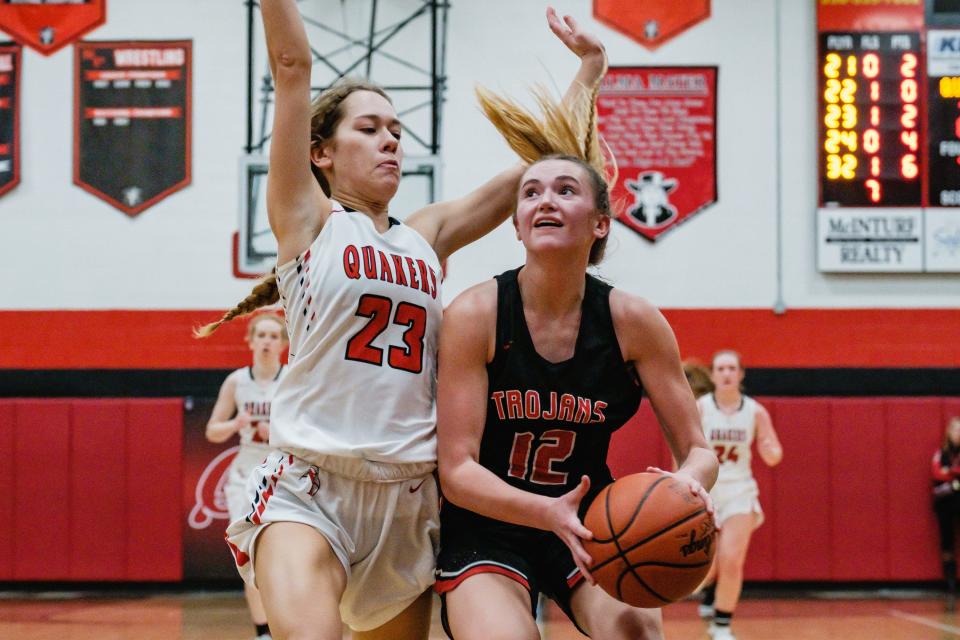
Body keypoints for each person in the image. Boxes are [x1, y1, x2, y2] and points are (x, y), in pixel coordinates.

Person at [195, 3, 608, 638]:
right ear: (321, 153)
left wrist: (590, 69)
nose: (390, 138)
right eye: (368, 128)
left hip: (409, 500)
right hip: (311, 484)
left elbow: (541, 165)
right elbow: (291, 66)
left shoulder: (426, 237)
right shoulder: (308, 220)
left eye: (395, 128)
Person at [432, 69, 719, 639]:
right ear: (516, 225)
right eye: (531, 192)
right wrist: (544, 512)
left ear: (600, 223)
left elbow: (699, 450)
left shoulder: (633, 321)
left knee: (637, 633)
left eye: (566, 190)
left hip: (591, 526)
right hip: (487, 524)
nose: (544, 201)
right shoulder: (475, 313)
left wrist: (689, 485)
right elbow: (457, 471)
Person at [205, 313, 288, 640]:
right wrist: (235, 424)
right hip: (245, 474)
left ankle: (287, 624)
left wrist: (277, 432)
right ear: (251, 341)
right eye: (262, 335)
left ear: (283, 344)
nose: (267, 341)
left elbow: (310, 429)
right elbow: (213, 430)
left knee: (285, 555)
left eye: (273, 336)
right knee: (251, 556)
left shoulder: (291, 379)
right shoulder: (237, 382)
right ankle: (263, 631)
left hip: (283, 473)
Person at [696, 350, 783, 640]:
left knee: (732, 559)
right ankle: (710, 591)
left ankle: (721, 625)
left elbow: (773, 452)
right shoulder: (701, 408)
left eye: (732, 368)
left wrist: (772, 450)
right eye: (720, 368)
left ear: (741, 373)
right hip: (707, 490)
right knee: (711, 563)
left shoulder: (756, 411)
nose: (726, 373)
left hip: (740, 491)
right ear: (712, 374)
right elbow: (683, 449)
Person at [932, 416, 960, 593]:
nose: (958, 434)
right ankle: (949, 581)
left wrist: (949, 472)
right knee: (947, 540)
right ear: (949, 433)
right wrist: (953, 475)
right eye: (956, 430)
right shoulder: (941, 453)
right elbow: (937, 473)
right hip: (944, 502)